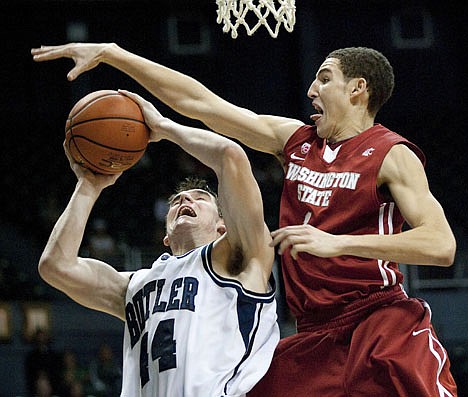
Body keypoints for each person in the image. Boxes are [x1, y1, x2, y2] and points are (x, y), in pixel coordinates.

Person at [31, 43, 458, 396]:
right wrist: (114, 55)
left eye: (325, 78)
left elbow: (440, 245)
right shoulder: (294, 141)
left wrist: (339, 243)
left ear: (358, 89)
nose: (311, 89)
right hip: (312, 335)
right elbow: (202, 103)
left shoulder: (391, 153)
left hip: (379, 320)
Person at [36, 90, 279, 396]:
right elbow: (56, 266)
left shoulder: (240, 258)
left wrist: (163, 128)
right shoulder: (135, 286)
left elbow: (229, 156)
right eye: (176, 201)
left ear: (223, 226)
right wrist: (88, 186)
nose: (185, 199)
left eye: (200, 198)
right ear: (165, 236)